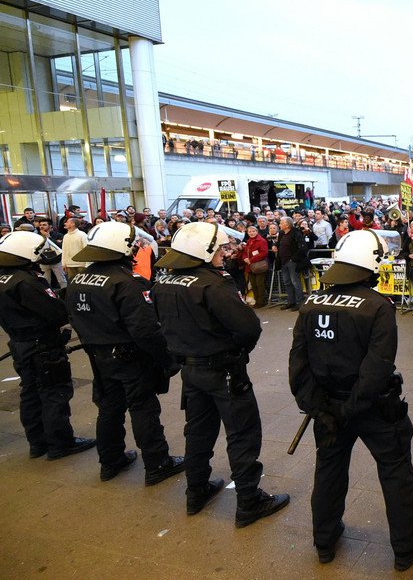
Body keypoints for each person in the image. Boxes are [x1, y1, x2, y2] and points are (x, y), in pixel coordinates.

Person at [289, 229, 413, 569]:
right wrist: (349, 409)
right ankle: (407, 546)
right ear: (371, 264)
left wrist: (319, 407)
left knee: (328, 470)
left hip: (328, 407)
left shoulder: (310, 303)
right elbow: (377, 368)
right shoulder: (377, 307)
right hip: (372, 408)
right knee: (395, 469)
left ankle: (324, 541)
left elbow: (298, 363)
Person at [151, 222, 289, 525]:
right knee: (242, 433)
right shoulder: (213, 284)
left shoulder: (163, 282)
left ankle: (196, 490)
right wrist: (238, 353)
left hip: (190, 370)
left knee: (198, 432)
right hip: (223, 370)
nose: (225, 254)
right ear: (204, 250)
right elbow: (248, 327)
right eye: (220, 248)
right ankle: (249, 501)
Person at [66, 222, 185, 484]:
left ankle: (110, 462)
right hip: (131, 358)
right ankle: (157, 464)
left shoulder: (78, 279)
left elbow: (73, 317)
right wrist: (168, 360)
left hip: (99, 356)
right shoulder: (128, 282)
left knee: (109, 409)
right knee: (143, 409)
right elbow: (146, 330)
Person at [0, 231, 95, 460]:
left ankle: (37, 443)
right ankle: (60, 443)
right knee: (54, 393)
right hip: (42, 346)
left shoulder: (5, 278)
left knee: (30, 392)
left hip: (19, 343)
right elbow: (57, 312)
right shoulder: (27, 282)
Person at [277, 217, 308, 310]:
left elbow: (302, 248)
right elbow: (279, 244)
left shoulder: (296, 233)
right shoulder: (282, 233)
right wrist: (275, 245)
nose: (279, 224)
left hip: (292, 262)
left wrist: (293, 259)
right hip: (283, 261)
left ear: (287, 225)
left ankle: (299, 302)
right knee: (287, 282)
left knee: (295, 282)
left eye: (281, 223)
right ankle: (291, 301)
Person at [242, 225, 269, 308]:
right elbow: (244, 252)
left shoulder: (262, 241)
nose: (251, 233)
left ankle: (261, 301)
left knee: (259, 284)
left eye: (253, 231)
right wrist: (245, 258)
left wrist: (251, 259)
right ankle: (257, 300)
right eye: (249, 232)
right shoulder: (249, 241)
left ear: (257, 232)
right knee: (253, 284)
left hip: (259, 266)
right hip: (250, 266)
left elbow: (264, 253)